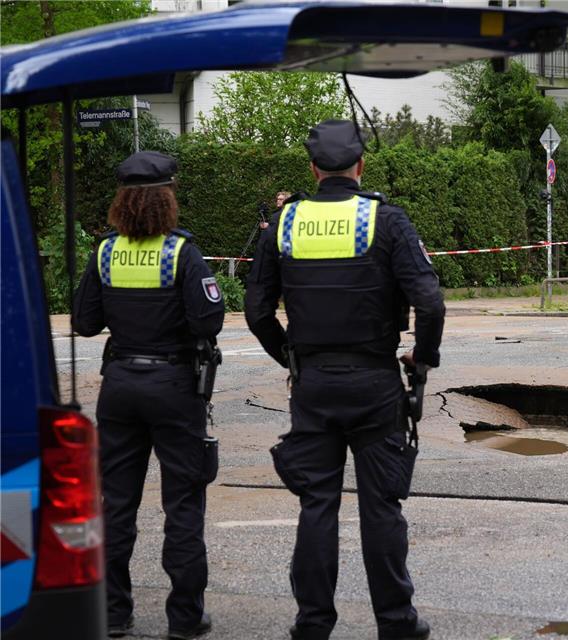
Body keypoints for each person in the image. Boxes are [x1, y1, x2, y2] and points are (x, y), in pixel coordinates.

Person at [245, 120, 444, 640]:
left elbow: (256, 308)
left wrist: (288, 357)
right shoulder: (387, 220)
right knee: (381, 507)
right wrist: (421, 361)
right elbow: (430, 301)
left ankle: (312, 623)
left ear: (313, 170)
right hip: (376, 381)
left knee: (318, 505)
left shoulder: (285, 224)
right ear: (361, 166)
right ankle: (397, 623)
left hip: (313, 384)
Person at [73, 151, 225, 640]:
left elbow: (84, 322)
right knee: (182, 503)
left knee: (115, 503)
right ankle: (184, 618)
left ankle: (113, 614)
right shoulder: (181, 253)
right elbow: (209, 321)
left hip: (119, 387)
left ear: (121, 202)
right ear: (167, 199)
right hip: (174, 387)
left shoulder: (105, 252)